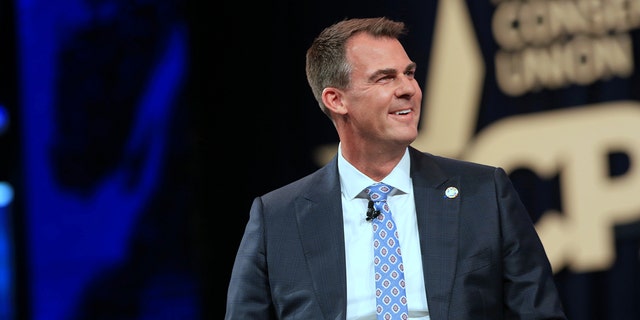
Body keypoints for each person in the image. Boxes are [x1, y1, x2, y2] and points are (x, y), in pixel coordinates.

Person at [225, 16, 567, 319]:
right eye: (385, 78)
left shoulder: (484, 193)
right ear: (336, 100)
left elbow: (538, 311)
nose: (408, 89)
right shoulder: (277, 219)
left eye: (409, 73)